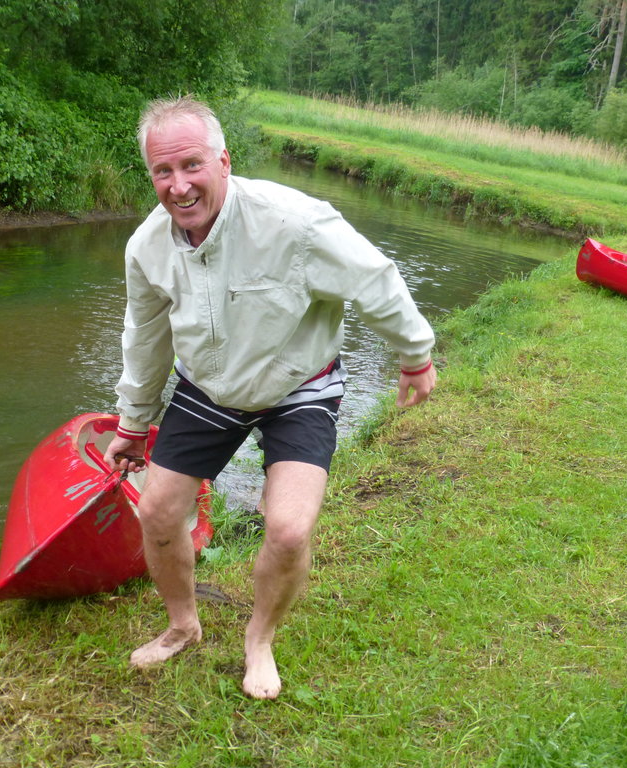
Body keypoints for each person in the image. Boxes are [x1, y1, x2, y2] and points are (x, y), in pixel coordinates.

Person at [103, 95, 436, 700]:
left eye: (192, 165)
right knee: (157, 512)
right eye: (162, 171)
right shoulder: (146, 248)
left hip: (299, 382)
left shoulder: (296, 223)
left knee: (287, 529)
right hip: (210, 386)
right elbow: (145, 339)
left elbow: (375, 279)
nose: (179, 186)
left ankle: (259, 640)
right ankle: (182, 624)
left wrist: (415, 354)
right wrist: (132, 422)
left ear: (224, 161)